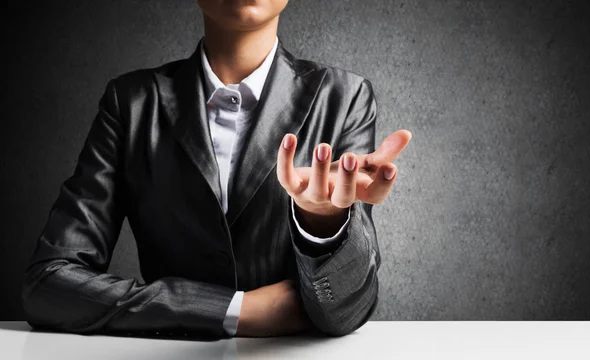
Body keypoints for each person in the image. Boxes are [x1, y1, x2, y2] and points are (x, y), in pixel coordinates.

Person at [21, 0, 412, 338]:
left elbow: (343, 312)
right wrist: (232, 310)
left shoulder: (344, 97)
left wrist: (323, 223)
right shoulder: (131, 103)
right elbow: (49, 284)